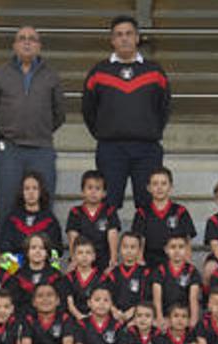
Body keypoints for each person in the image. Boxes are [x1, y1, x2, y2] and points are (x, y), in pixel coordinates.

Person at [82, 15, 171, 210]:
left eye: (129, 34)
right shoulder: (99, 71)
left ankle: (149, 242)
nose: (124, 39)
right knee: (107, 205)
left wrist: (150, 129)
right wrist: (103, 132)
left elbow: (164, 107)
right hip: (111, 149)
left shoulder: (154, 71)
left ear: (137, 38)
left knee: (149, 205)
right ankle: (108, 241)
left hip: (147, 149)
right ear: (112, 40)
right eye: (119, 35)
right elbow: (88, 109)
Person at [0, 26, 66, 227]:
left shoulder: (51, 76)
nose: (27, 42)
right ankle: (6, 256)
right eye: (22, 38)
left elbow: (59, 114)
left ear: (39, 46)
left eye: (32, 39)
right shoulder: (0, 74)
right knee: (6, 205)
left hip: (41, 149)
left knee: (44, 204)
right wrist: (6, 132)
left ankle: (46, 256)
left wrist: (40, 130)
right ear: (14, 45)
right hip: (9, 149)